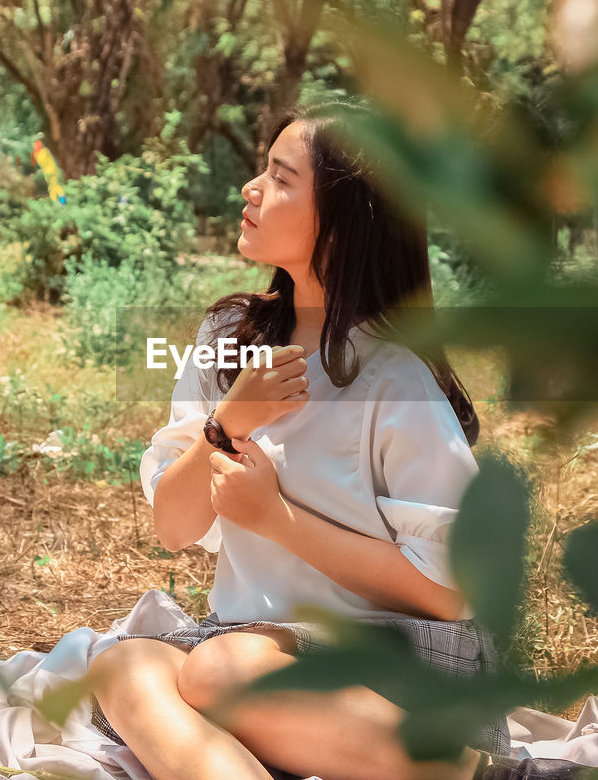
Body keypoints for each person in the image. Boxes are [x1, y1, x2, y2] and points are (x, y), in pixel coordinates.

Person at [90, 101, 566, 780]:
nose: (252, 189)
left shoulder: (394, 375)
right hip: (241, 647)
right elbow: (173, 523)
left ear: (342, 227)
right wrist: (227, 422)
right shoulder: (229, 340)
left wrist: (277, 519)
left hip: (392, 672)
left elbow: (453, 593)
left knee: (224, 670)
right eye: (264, 170)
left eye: (282, 179)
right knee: (126, 662)